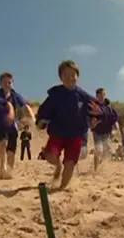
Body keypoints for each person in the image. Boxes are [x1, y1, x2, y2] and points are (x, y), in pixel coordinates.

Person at [36, 60, 110, 190]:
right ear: (61, 78)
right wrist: (41, 120)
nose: (70, 77)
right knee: (51, 157)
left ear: (77, 76)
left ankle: (61, 188)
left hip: (76, 135)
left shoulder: (83, 95)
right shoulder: (55, 94)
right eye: (66, 75)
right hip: (57, 133)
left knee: (70, 164)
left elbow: (99, 108)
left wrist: (101, 113)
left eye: (73, 74)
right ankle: (58, 166)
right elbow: (44, 110)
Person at [0, 72, 36, 178]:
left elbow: (25, 107)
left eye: (9, 82)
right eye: (5, 82)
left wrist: (33, 120)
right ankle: (2, 168)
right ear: (0, 83)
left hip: (12, 126)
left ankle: (9, 171)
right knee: (2, 143)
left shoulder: (15, 95)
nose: (7, 85)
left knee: (11, 151)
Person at [91, 88, 122, 172]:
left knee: (106, 151)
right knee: (98, 150)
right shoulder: (93, 106)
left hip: (107, 132)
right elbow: (90, 118)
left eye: (104, 94)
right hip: (97, 132)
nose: (102, 96)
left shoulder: (109, 107)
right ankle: (95, 169)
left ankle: (100, 164)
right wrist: (93, 122)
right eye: (100, 94)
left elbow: (114, 118)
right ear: (97, 95)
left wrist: (116, 126)